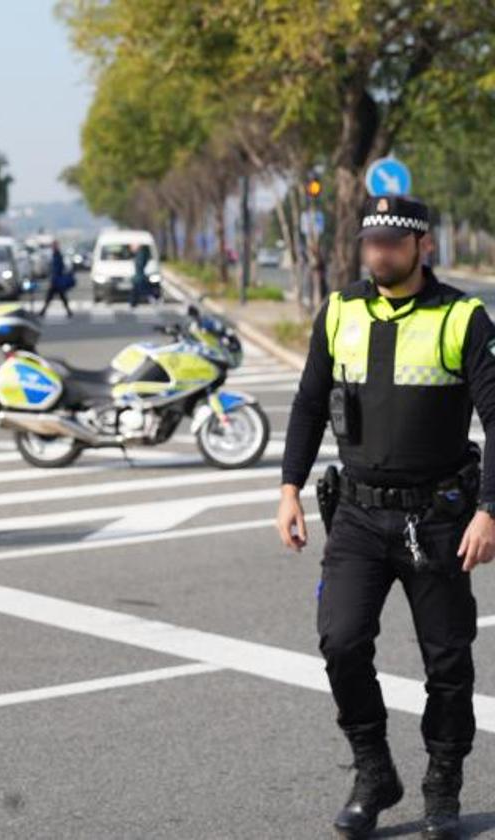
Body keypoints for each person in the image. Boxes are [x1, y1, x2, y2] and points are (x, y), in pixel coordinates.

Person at [276, 195, 495, 839]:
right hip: (359, 516)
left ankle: (442, 783)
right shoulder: (340, 310)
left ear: (422, 245)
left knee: (447, 661)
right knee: (340, 643)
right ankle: (375, 773)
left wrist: (489, 510)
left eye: (392, 243)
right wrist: (289, 488)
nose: (379, 253)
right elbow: (309, 401)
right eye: (371, 242)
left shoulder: (462, 316)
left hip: (438, 519)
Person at [39, 240, 74, 318]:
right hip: (57, 280)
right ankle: (68, 311)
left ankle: (43, 311)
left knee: (52, 296)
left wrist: (54, 277)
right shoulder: (56, 255)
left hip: (57, 280)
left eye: (54, 246)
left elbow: (58, 268)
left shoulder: (57, 255)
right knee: (58, 297)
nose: (53, 247)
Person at [129, 242, 152, 307]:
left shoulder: (140, 254)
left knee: (139, 289)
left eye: (132, 246)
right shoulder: (139, 254)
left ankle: (134, 303)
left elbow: (140, 265)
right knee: (138, 290)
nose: (131, 248)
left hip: (139, 276)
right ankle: (134, 303)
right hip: (139, 276)